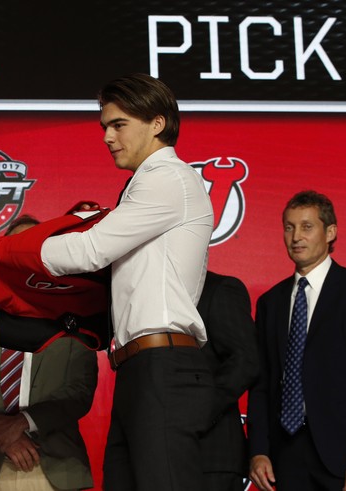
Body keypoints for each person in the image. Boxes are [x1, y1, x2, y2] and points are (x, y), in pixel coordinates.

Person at [39, 73, 216, 490]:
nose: (106, 136)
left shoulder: (167, 178)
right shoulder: (147, 183)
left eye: (118, 124)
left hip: (163, 368)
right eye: (104, 126)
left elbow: (90, 250)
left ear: (157, 124)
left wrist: (6, 256)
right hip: (143, 368)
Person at [247, 191, 346, 491]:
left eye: (307, 226)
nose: (296, 236)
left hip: (342, 455)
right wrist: (258, 449)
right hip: (283, 455)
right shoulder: (270, 302)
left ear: (330, 232)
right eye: (289, 227)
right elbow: (261, 384)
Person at [0, 216, 98, 491]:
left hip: (55, 469)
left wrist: (24, 423)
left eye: (35, 247)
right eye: (18, 247)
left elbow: (80, 390)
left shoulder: (76, 316)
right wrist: (0, 435)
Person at [197, 271, 258, 491]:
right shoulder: (151, 293)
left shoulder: (219, 288)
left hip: (212, 454)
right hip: (158, 453)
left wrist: (198, 411)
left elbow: (246, 360)